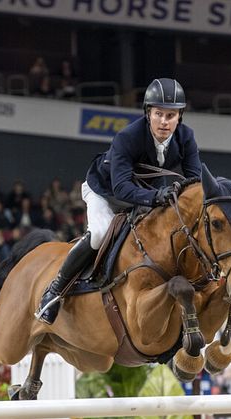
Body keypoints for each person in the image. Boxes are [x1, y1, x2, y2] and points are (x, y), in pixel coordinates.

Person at [34, 78, 202, 324]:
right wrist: (157, 197)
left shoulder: (186, 138)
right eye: (158, 114)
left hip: (146, 196)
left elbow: (195, 181)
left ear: (180, 117)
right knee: (101, 233)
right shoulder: (128, 137)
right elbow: (122, 188)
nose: (164, 122)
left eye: (171, 115)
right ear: (148, 113)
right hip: (105, 192)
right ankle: (55, 291)